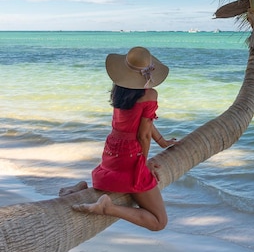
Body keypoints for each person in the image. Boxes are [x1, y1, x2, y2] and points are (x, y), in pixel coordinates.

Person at [60, 46, 176, 231]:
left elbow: (138, 123)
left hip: (111, 151)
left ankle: (82, 188)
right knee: (159, 222)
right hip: (130, 156)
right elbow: (143, 134)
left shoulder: (119, 89)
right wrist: (142, 164)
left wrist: (162, 141)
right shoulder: (150, 95)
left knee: (117, 180)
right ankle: (109, 207)